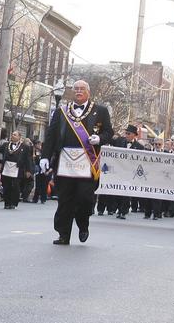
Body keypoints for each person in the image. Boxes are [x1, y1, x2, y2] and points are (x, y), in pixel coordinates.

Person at [42, 80, 113, 244]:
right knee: (64, 199)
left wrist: (100, 138)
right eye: (76, 89)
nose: (79, 91)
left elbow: (109, 132)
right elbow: (51, 136)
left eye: (82, 89)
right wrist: (45, 156)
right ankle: (63, 234)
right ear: (72, 92)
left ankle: (83, 225)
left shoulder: (100, 111)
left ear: (88, 92)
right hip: (65, 162)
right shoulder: (61, 112)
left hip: (87, 163)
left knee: (84, 198)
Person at [0, 131, 32, 210]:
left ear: (19, 137)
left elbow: (28, 159)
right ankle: (7, 203)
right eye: (12, 134)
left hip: (17, 168)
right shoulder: (6, 145)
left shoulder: (25, 147)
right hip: (7, 168)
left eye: (15, 135)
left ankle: (14, 203)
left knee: (15, 186)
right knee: (6, 185)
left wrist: (28, 170)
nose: (12, 136)